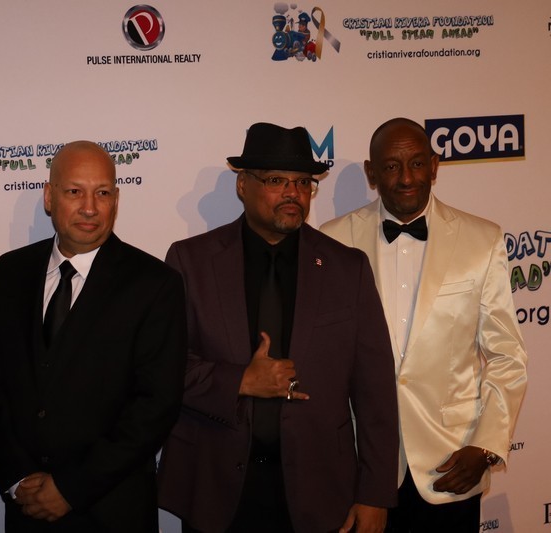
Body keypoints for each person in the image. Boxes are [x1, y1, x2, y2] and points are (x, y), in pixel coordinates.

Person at [157, 122, 399, 533]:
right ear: (243, 185)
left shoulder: (347, 268)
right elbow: (164, 370)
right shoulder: (190, 262)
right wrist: (240, 381)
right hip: (215, 486)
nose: (293, 193)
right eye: (276, 181)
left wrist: (375, 494)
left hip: (320, 489)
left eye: (303, 182)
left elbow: (375, 390)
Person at [321, 117, 528, 531]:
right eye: (391, 166)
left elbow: (507, 356)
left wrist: (485, 446)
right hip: (360, 467)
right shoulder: (333, 240)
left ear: (434, 166)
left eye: (417, 163)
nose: (406, 178)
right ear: (372, 173)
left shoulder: (482, 239)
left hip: (451, 465)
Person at [0, 141, 186, 532]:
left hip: (113, 511)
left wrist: (71, 488)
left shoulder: (155, 284)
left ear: (116, 200)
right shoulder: (12, 271)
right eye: (75, 191)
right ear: (49, 196)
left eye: (102, 193)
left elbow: (155, 406)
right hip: (26, 509)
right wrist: (17, 476)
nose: (90, 207)